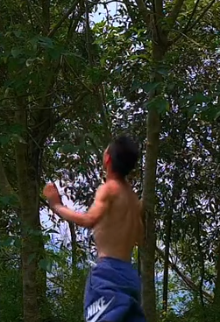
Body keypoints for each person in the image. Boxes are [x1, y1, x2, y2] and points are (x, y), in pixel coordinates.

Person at [43, 135, 146, 322]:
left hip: (108, 273)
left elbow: (90, 220)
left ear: (107, 159)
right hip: (130, 276)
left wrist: (56, 205)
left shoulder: (109, 189)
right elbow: (140, 237)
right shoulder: (133, 198)